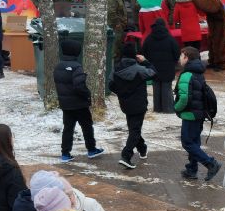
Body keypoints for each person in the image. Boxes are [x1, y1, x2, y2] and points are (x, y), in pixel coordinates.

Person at [174, 47, 220, 181]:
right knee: (194, 141)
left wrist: (176, 107)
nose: (179, 59)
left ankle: (211, 163)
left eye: (181, 56)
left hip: (190, 114)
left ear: (187, 57)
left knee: (187, 142)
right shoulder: (198, 72)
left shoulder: (187, 74)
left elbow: (184, 98)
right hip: (199, 113)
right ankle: (191, 169)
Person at [54, 37, 103, 162]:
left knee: (68, 128)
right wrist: (87, 95)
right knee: (87, 126)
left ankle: (65, 153)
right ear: (76, 51)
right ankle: (91, 149)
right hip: (80, 104)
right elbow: (79, 86)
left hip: (66, 104)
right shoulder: (77, 67)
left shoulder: (58, 66)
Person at [109, 40, 154, 168]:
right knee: (134, 130)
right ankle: (126, 155)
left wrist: (122, 93)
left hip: (125, 104)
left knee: (134, 129)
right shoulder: (140, 69)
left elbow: (111, 85)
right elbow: (154, 72)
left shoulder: (116, 69)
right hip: (139, 104)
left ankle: (142, 148)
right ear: (135, 55)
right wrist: (145, 61)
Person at [142, 15, 181, 114]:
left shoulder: (149, 38)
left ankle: (158, 108)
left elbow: (144, 52)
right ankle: (168, 108)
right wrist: (174, 61)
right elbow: (177, 52)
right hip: (168, 68)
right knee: (166, 87)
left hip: (154, 67)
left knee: (156, 87)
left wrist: (150, 61)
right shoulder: (170, 38)